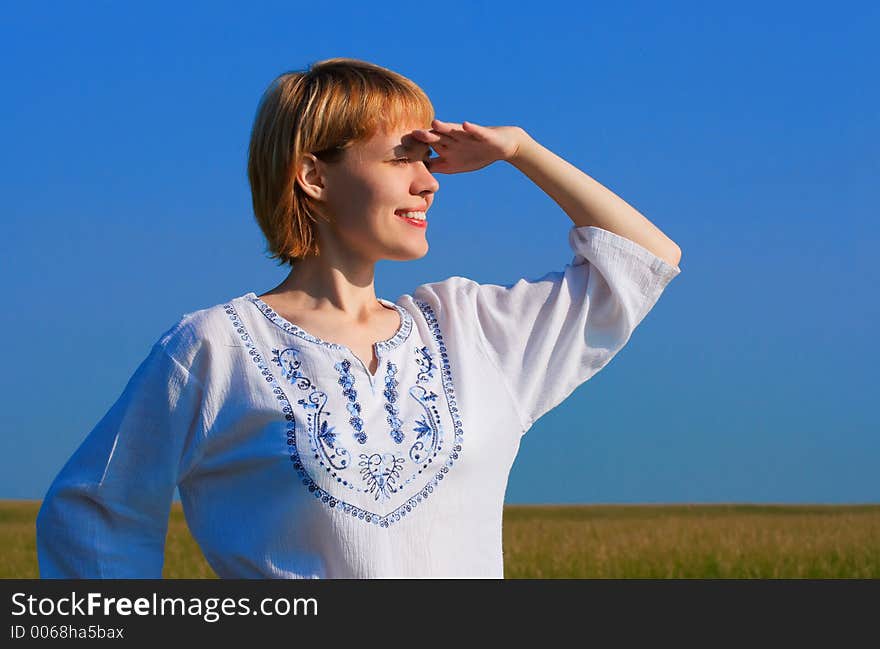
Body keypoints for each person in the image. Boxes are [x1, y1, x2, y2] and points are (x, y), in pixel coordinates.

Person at [36, 57, 682, 578]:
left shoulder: (469, 329)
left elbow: (643, 260)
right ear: (314, 174)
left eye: (427, 160)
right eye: (403, 157)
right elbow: (93, 511)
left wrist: (519, 148)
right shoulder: (213, 347)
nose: (429, 182)